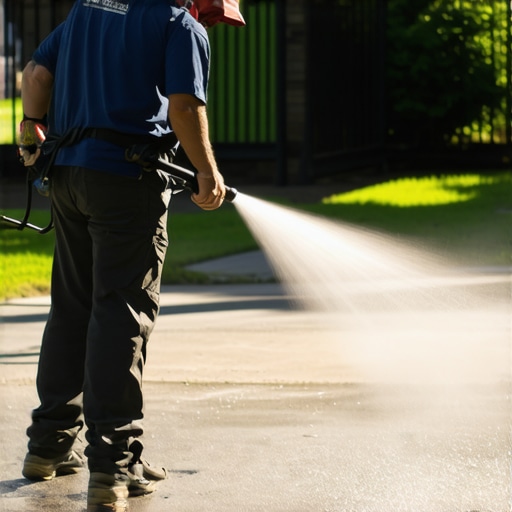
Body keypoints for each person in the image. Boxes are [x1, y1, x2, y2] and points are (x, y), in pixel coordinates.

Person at [17, 1, 244, 510]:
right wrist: (207, 172)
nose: (209, 23)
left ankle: (49, 446)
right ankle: (115, 467)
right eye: (212, 14)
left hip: (69, 176)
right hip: (127, 182)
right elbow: (185, 108)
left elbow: (34, 74)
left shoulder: (87, 9)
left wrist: (33, 125)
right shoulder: (177, 24)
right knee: (121, 317)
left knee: (73, 309)